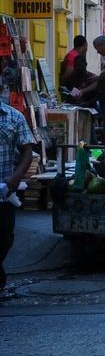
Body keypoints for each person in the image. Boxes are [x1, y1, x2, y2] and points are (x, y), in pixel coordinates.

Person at [0, 99, 35, 299]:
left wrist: (16, 176)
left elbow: (27, 151)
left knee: (4, 237)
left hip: (4, 193)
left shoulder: (13, 116)